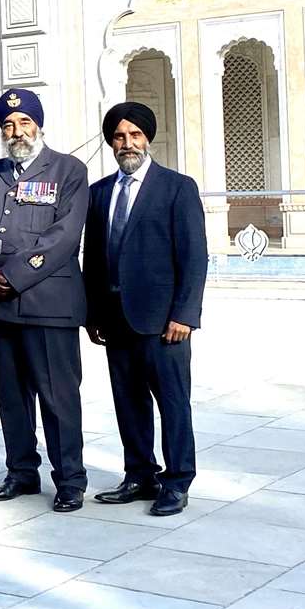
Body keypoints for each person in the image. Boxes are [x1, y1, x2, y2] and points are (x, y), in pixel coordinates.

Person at [0, 88, 92, 513]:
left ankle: (70, 478)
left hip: (48, 302)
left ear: (39, 124)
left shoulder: (68, 170)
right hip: (0, 304)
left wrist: (12, 275)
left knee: (57, 397)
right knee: (12, 396)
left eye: (24, 123)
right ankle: (21, 472)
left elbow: (64, 237)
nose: (16, 131)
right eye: (8, 125)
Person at [83, 101, 208, 518]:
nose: (127, 143)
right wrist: (92, 313)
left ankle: (177, 481)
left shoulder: (176, 188)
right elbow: (94, 259)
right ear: (111, 142)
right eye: (119, 137)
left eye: (135, 135)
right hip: (116, 321)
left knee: (172, 402)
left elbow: (194, 257)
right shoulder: (99, 193)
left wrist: (185, 315)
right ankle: (139, 474)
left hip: (163, 323)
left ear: (147, 138)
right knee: (129, 403)